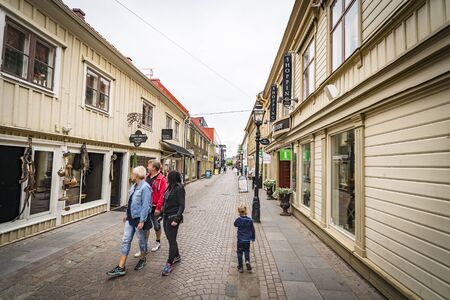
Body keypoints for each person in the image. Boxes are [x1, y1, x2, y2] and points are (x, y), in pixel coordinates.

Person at [107, 166, 152, 277]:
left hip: (139, 219)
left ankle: (142, 258)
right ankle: (121, 267)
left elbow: (146, 206)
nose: (131, 175)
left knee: (141, 241)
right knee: (125, 240)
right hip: (131, 219)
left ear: (136, 175)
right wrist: (127, 214)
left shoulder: (145, 187)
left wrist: (142, 221)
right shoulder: (133, 186)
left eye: (132, 173)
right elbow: (131, 202)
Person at [134, 160, 167, 258]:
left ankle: (158, 242)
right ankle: (144, 247)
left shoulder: (162, 179)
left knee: (156, 225)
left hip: (155, 207)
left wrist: (158, 207)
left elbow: (162, 194)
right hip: (145, 206)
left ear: (154, 168)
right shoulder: (146, 177)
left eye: (149, 166)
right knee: (145, 227)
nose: (147, 167)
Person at [161, 170, 185, 276]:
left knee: (172, 241)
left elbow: (181, 205)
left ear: (172, 177)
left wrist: (176, 219)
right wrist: (161, 214)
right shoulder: (169, 187)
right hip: (166, 217)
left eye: (168, 176)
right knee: (170, 239)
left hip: (173, 218)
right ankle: (177, 255)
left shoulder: (179, 188)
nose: (166, 177)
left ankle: (169, 264)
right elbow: (166, 202)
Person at [234, 204, 255, 273]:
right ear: (246, 211)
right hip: (247, 240)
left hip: (240, 239)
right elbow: (253, 230)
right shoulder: (250, 220)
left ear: (239, 212)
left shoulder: (238, 219)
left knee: (239, 252)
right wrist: (253, 238)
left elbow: (235, 224)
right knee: (246, 251)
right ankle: (247, 261)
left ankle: (240, 267)